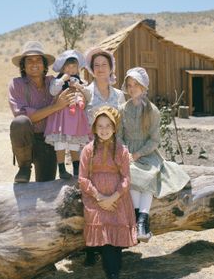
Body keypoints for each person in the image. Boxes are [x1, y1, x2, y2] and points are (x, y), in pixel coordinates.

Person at [119, 67, 190, 242]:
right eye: (129, 85)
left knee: (149, 176)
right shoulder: (121, 110)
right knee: (132, 175)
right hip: (127, 153)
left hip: (147, 153)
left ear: (144, 87)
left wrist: (138, 153)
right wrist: (127, 152)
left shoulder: (152, 111)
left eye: (136, 84)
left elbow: (154, 140)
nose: (132, 88)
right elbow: (119, 136)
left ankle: (142, 221)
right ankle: (139, 221)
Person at [79, 106, 137, 279]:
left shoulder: (121, 150)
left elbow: (126, 178)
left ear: (114, 128)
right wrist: (99, 197)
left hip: (117, 198)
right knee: (103, 229)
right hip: (94, 197)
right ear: (94, 129)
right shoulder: (88, 150)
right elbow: (82, 179)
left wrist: (113, 197)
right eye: (100, 126)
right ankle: (108, 269)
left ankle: (113, 271)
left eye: (108, 126)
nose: (104, 130)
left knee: (113, 238)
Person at [8, 41, 75, 183]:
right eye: (29, 60)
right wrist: (55, 107)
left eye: (38, 60)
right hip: (27, 139)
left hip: (48, 140)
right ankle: (24, 168)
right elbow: (24, 116)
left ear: (45, 65)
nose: (34, 64)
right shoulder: (16, 84)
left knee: (45, 188)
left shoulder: (54, 82)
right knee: (20, 122)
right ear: (23, 66)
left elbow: (72, 88)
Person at [83, 47, 126, 266]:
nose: (100, 69)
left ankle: (117, 241)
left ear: (111, 68)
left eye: (104, 65)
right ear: (91, 69)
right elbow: (78, 125)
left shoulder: (119, 95)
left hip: (116, 153)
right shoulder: (86, 93)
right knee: (93, 193)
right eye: (96, 65)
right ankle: (92, 246)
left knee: (120, 191)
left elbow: (123, 126)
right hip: (91, 153)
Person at [44, 50, 90, 179]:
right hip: (61, 117)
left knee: (74, 144)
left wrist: (80, 87)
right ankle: (62, 169)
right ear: (63, 68)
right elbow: (53, 92)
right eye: (68, 67)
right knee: (60, 143)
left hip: (75, 118)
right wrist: (62, 79)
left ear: (78, 68)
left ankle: (76, 169)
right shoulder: (57, 81)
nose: (71, 69)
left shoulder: (81, 82)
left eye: (73, 66)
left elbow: (88, 96)